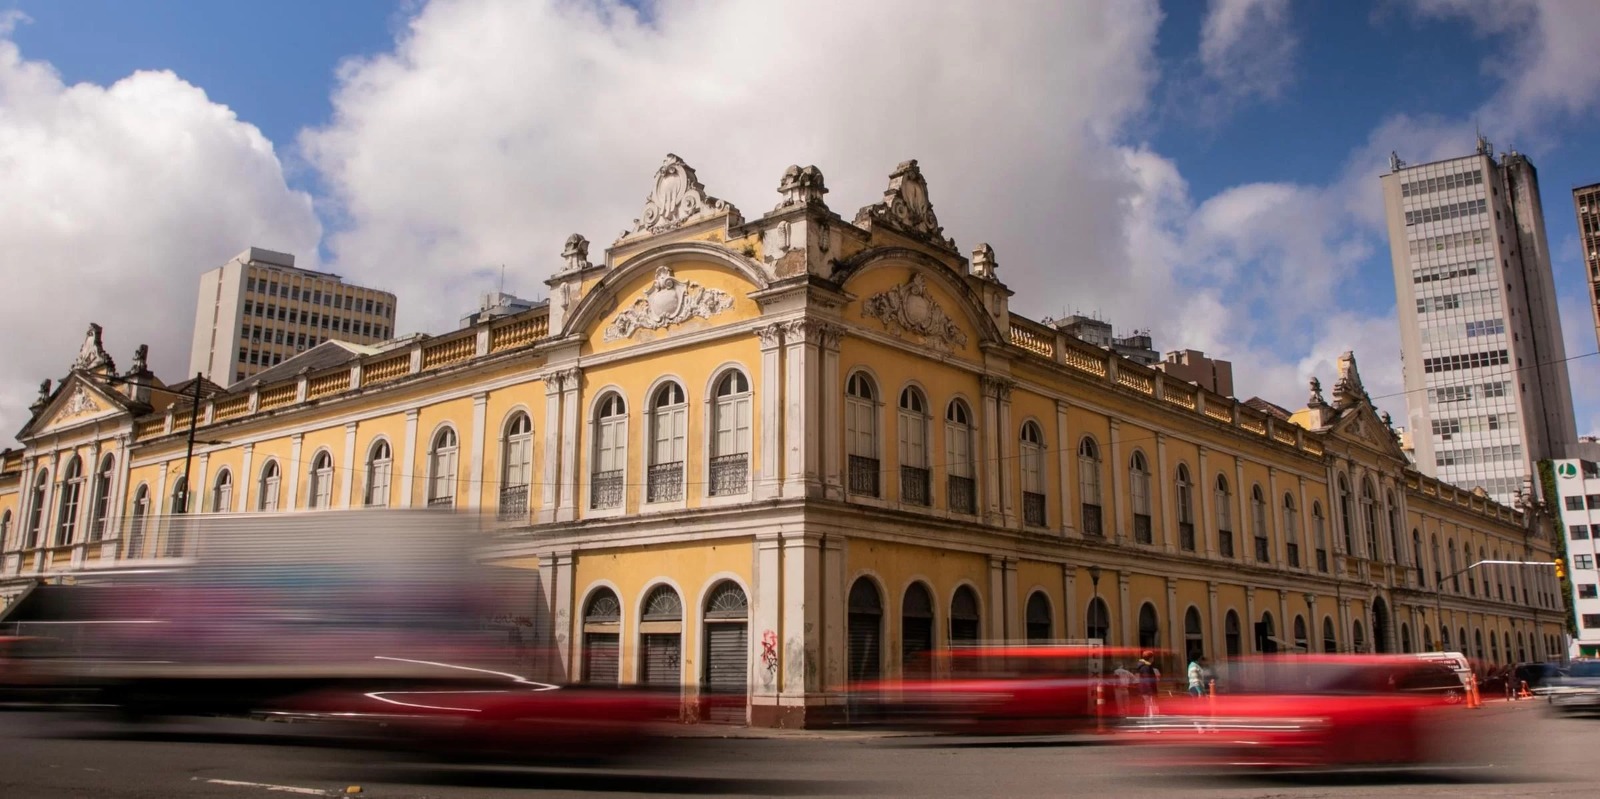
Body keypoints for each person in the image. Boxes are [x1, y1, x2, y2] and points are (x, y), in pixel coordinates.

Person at [1136, 650, 1161, 716]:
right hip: (1147, 690)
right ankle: (1147, 719)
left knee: (1148, 706)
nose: (1153, 659)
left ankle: (1147, 719)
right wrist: (1151, 691)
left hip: (1145, 689)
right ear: (1150, 658)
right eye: (1153, 657)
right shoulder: (1146, 667)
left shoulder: (1145, 666)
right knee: (1149, 706)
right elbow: (1147, 679)